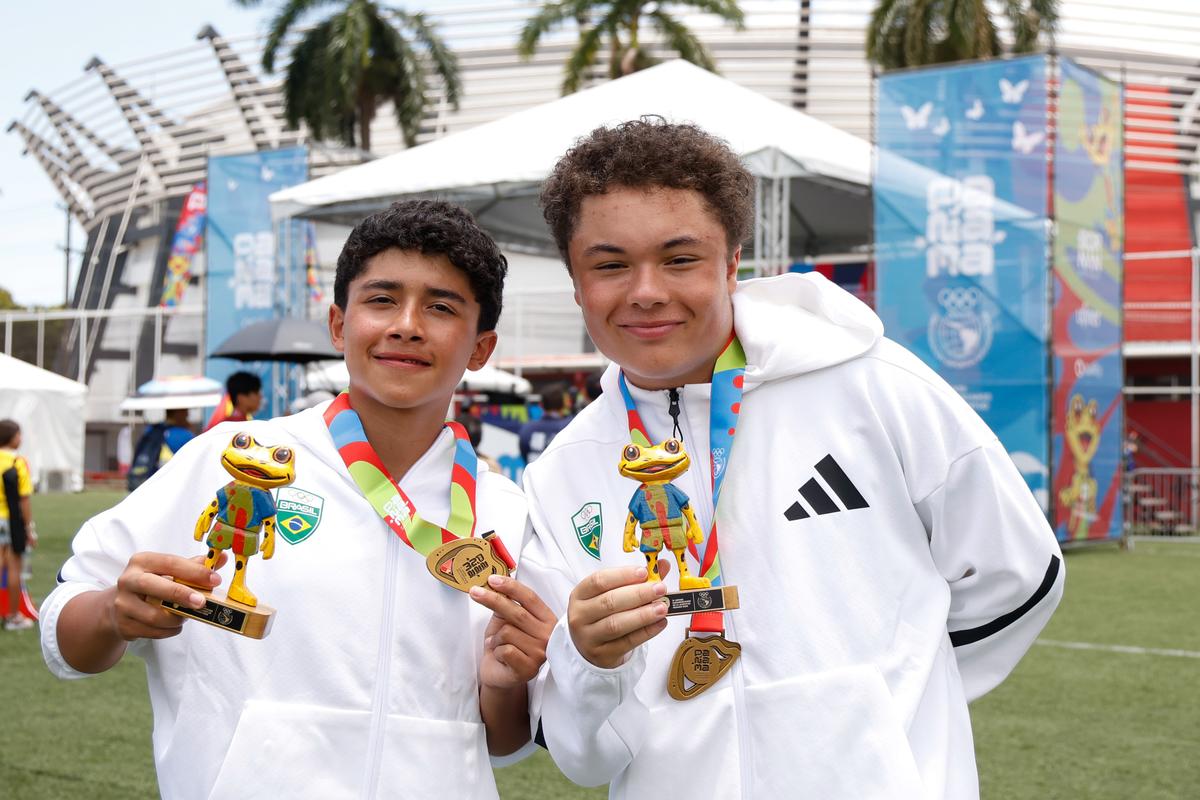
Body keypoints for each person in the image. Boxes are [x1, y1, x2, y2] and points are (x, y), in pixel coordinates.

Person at [518, 120, 1065, 798]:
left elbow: (1020, 573)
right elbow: (580, 755)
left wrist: (870, 702)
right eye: (610, 265)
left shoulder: (872, 385)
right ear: (577, 283)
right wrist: (588, 661)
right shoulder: (562, 473)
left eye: (680, 258)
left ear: (732, 262)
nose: (647, 291)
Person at [41, 200, 555, 799]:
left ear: (480, 348)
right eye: (382, 299)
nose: (407, 325)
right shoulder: (237, 458)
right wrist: (110, 613)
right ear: (339, 324)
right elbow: (64, 627)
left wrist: (502, 685)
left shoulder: (505, 512)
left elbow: (502, 742)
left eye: (441, 307)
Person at [0, 419, 36, 631]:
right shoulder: (18, 462)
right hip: (11, 521)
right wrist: (29, 527)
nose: (21, 438)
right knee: (14, 568)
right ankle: (13, 616)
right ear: (11, 437)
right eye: (19, 434)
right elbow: (24, 499)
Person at [126, 408, 195, 491]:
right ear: (179, 412)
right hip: (170, 487)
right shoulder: (185, 435)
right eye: (185, 411)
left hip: (146, 483)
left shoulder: (151, 430)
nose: (188, 414)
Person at [517, 381, 573, 464]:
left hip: (533, 475)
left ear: (541, 405)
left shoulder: (527, 429)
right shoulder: (569, 426)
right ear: (563, 404)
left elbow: (524, 454)